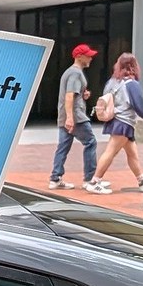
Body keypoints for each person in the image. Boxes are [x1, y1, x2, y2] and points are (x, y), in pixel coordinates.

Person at [90, 53, 143, 194]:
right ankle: (95, 181)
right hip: (124, 122)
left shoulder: (112, 82)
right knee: (111, 152)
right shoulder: (131, 84)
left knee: (132, 153)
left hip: (115, 120)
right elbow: (140, 107)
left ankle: (141, 180)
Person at [49, 44, 101, 192]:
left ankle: (55, 178)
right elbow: (69, 95)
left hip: (65, 115)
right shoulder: (75, 73)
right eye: (88, 55)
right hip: (76, 116)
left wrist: (83, 95)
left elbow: (73, 94)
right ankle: (89, 179)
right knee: (90, 142)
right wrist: (71, 118)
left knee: (63, 147)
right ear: (79, 56)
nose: (91, 58)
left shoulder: (70, 73)